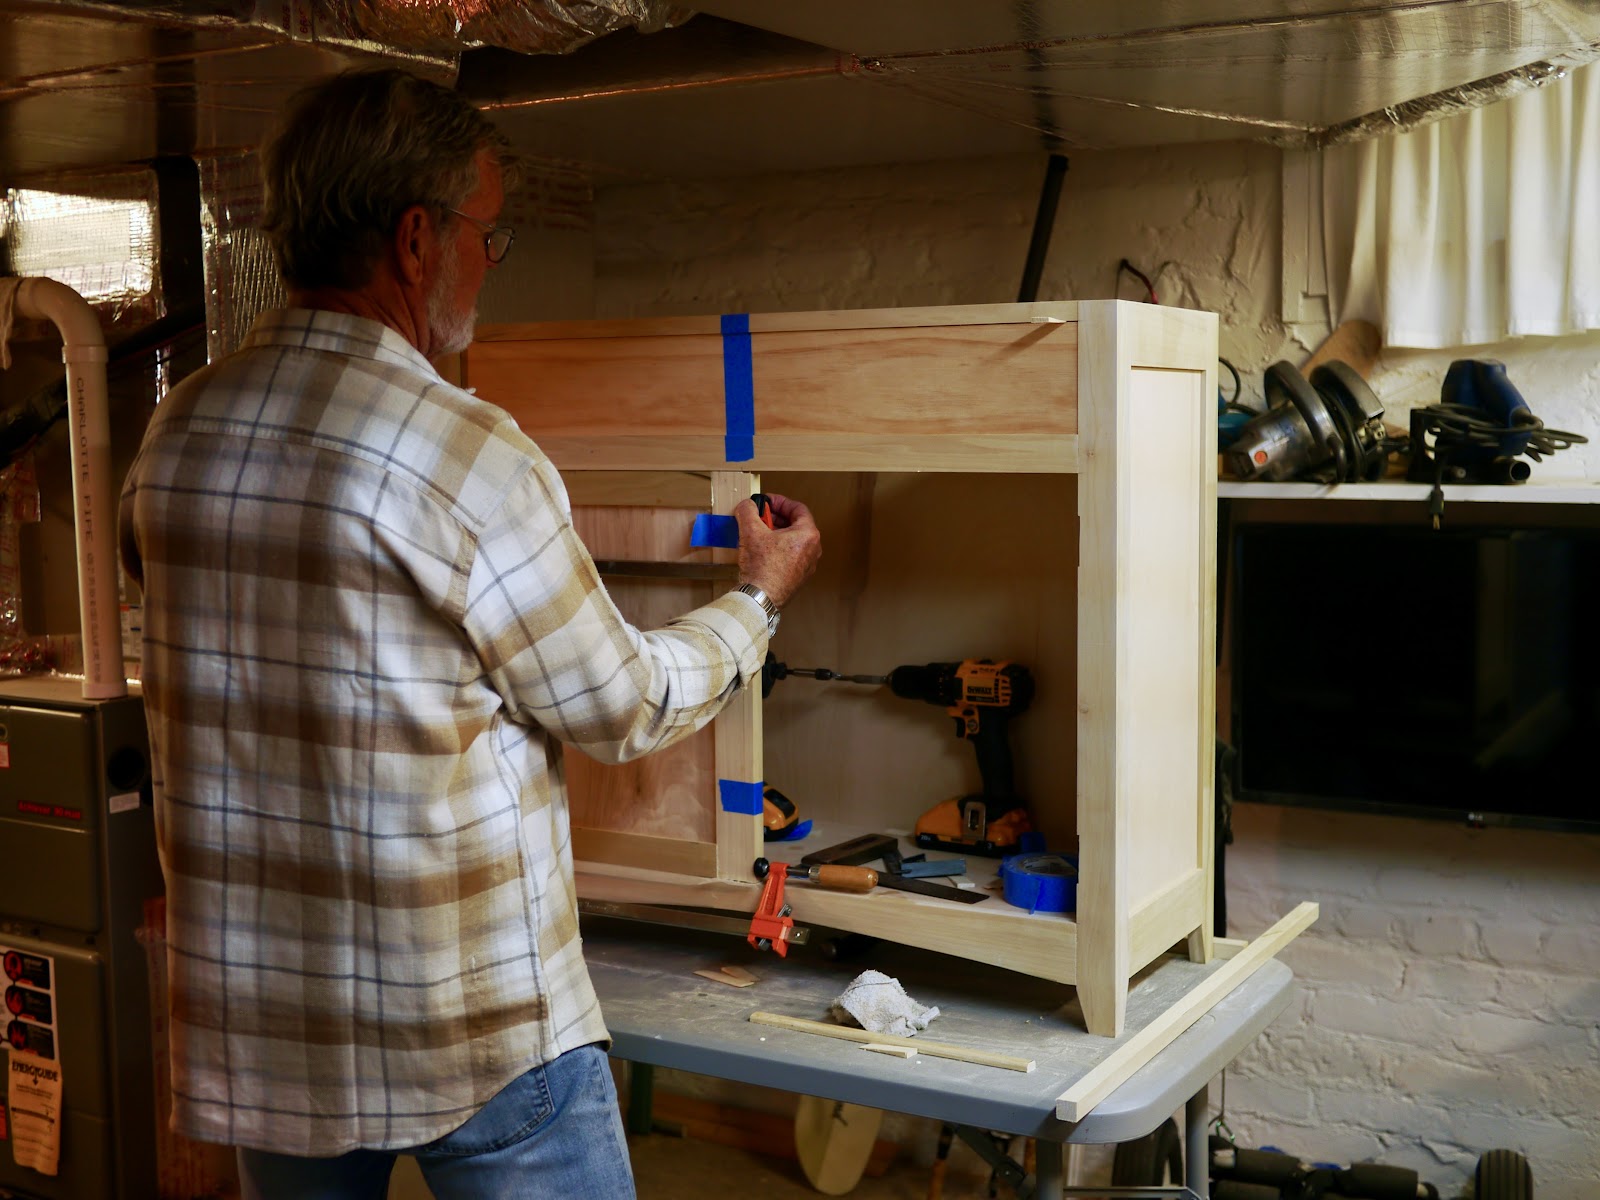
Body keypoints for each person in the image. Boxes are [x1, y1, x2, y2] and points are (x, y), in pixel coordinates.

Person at [119, 68, 821, 1200]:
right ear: (415, 239)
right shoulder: (466, 454)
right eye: (487, 237)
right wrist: (759, 600)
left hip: (270, 1036)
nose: (491, 264)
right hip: (468, 1028)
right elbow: (623, 706)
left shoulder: (176, 432)